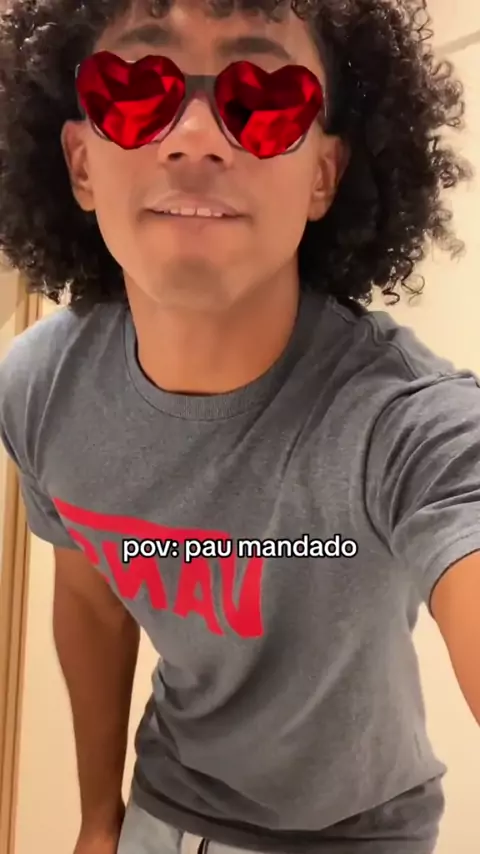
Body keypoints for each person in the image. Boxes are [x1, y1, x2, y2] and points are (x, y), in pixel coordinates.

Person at [0, 0, 479, 852]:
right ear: (80, 161)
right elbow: (91, 600)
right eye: (135, 89)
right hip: (161, 811)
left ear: (324, 174)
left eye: (264, 98)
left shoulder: (406, 421)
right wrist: (98, 817)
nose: (195, 138)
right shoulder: (40, 390)